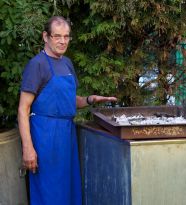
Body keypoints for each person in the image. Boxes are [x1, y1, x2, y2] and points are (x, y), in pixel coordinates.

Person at [17, 16, 117, 205]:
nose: (63, 41)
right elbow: (23, 109)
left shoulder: (67, 63)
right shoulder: (37, 65)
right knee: (49, 192)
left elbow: (69, 101)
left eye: (66, 36)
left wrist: (89, 99)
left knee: (69, 191)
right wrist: (28, 148)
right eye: (57, 36)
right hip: (45, 137)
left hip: (66, 135)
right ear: (45, 37)